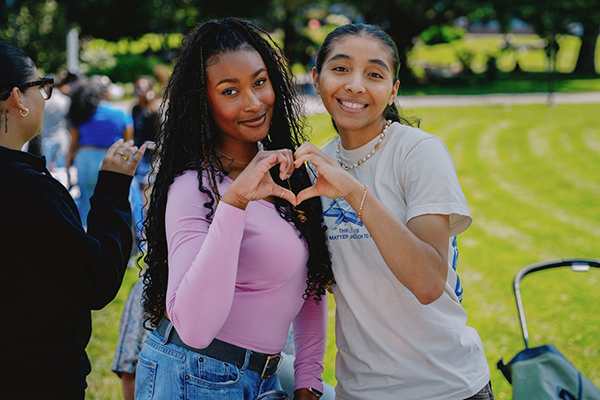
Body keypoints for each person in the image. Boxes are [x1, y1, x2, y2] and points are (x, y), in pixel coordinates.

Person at [293, 24, 494, 399]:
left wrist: (352, 190)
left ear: (393, 90)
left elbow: (429, 282)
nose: (355, 85)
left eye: (374, 74)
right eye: (340, 69)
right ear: (317, 80)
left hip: (445, 388)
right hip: (361, 390)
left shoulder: (418, 153)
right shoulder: (316, 166)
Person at [136, 18, 333, 400]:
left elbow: (312, 282)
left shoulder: (288, 172)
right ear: (203, 101)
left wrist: (309, 380)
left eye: (260, 82)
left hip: (264, 378)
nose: (254, 102)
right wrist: (235, 203)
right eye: (230, 91)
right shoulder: (194, 189)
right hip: (194, 377)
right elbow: (193, 327)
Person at [0, 40, 146, 399]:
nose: (44, 96)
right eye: (41, 86)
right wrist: (112, 192)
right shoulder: (27, 190)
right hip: (34, 377)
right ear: (17, 98)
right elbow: (96, 280)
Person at [66, 77, 134, 227]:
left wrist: (68, 164)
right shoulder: (120, 113)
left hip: (85, 159)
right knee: (115, 202)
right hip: (113, 160)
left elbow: (73, 144)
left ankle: (87, 242)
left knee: (86, 204)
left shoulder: (81, 113)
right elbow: (129, 143)